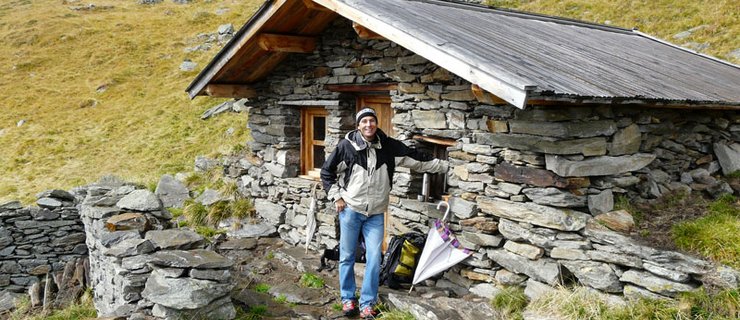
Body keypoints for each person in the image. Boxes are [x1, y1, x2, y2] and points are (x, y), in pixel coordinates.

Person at [320, 108, 449, 318]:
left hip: (376, 214)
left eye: (372, 121)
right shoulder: (346, 147)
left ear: (376, 123)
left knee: (374, 258)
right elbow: (327, 172)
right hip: (351, 210)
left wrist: (446, 167)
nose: (369, 125)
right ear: (358, 125)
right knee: (347, 257)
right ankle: (348, 300)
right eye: (364, 122)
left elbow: (416, 158)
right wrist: (337, 197)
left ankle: (367, 304)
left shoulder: (388, 146)